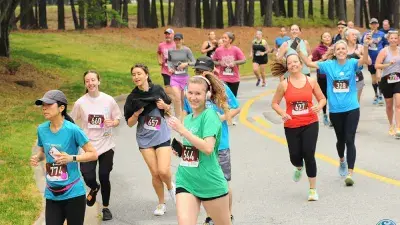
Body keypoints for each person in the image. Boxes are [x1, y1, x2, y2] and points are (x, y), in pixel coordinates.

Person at [298, 36, 372, 186]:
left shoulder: (352, 63)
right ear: (334, 52)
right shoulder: (329, 65)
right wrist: (299, 50)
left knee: (350, 139)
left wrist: (365, 45)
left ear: (346, 51)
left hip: (352, 107)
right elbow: (308, 63)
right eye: (338, 49)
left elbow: (364, 61)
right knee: (341, 140)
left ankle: (350, 173)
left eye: (343, 49)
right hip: (336, 110)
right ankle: (342, 160)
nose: (341, 51)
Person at [183, 56, 241, 225]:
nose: (200, 73)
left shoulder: (221, 88)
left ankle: (226, 215)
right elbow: (186, 113)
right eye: (197, 71)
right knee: (203, 180)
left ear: (211, 71)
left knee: (221, 181)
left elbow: (236, 108)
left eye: (203, 71)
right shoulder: (191, 89)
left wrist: (220, 119)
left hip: (219, 144)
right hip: (197, 145)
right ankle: (211, 215)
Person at [168, 75, 231, 225]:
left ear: (206, 95)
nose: (193, 97)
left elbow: (208, 148)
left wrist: (183, 131)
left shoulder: (210, 116)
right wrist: (182, 151)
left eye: (198, 94)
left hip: (209, 181)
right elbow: (194, 147)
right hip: (186, 179)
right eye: (190, 93)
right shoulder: (189, 118)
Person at [31, 90, 98, 225]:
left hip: (73, 192)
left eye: (49, 104)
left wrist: (72, 158)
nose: (44, 108)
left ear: (61, 108)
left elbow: (93, 154)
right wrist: (38, 157)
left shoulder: (73, 130)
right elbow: (44, 152)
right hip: (52, 192)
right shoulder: (42, 129)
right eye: (43, 104)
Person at [271, 54, 326, 201]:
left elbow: (322, 99)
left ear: (301, 64)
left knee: (309, 154)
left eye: (295, 62)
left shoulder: (311, 81)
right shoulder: (284, 84)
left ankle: (313, 190)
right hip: (291, 124)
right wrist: (282, 112)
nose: (293, 64)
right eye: (290, 63)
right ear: (287, 67)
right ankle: (298, 167)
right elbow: (274, 103)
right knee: (295, 157)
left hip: (310, 122)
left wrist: (318, 106)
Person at [123, 64, 176, 216]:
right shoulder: (132, 98)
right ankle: (161, 203)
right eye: (133, 74)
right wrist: (136, 114)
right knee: (155, 173)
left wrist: (164, 106)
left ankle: (171, 187)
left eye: (139, 73)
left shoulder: (157, 90)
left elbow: (169, 109)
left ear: (146, 75)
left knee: (163, 171)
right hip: (144, 139)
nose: (136, 77)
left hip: (161, 135)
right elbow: (129, 123)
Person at [70, 70, 122, 221]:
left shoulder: (108, 100)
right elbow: (71, 121)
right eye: (87, 81)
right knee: (88, 175)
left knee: (104, 175)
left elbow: (117, 118)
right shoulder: (80, 103)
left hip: (106, 144)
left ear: (99, 81)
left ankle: (105, 207)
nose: (91, 83)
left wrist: (113, 122)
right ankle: (94, 187)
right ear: (85, 84)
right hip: (88, 146)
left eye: (93, 80)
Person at [212, 32, 246, 125]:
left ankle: (231, 116)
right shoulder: (219, 50)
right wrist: (220, 63)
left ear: (230, 40)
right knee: (223, 96)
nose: (223, 39)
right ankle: (224, 115)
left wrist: (235, 63)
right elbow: (213, 60)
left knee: (232, 98)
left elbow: (244, 60)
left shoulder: (236, 50)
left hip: (234, 78)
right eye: (222, 37)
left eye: (225, 38)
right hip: (222, 77)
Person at [375, 30, 400, 138]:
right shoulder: (384, 51)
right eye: (392, 38)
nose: (394, 40)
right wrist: (388, 64)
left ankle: (399, 127)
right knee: (389, 105)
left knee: (398, 104)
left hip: (398, 79)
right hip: (386, 80)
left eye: (395, 38)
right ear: (388, 39)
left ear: (398, 39)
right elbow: (376, 65)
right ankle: (391, 125)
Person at [168, 33, 196, 120]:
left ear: (182, 40)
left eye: (179, 39)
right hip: (174, 77)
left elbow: (194, 61)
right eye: (176, 39)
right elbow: (169, 61)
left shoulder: (187, 50)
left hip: (184, 78)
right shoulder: (171, 50)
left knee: (184, 98)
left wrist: (186, 64)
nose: (177, 41)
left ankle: (186, 116)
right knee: (177, 98)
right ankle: (178, 116)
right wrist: (170, 68)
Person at [361, 18, 388, 106]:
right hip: (371, 60)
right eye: (372, 24)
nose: (374, 25)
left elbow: (386, 43)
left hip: (379, 59)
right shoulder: (366, 34)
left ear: (378, 25)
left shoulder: (382, 34)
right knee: (373, 79)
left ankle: (380, 94)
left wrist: (385, 53)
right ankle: (376, 94)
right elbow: (362, 45)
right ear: (370, 25)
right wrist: (367, 41)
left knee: (379, 77)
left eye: (375, 23)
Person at [343, 28, 372, 102]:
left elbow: (369, 62)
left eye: (356, 35)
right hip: (344, 77)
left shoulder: (360, 47)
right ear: (347, 37)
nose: (355, 37)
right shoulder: (342, 47)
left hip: (357, 77)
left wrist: (359, 55)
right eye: (352, 35)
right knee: (345, 100)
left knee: (355, 101)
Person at [312, 32, 332, 126]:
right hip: (322, 77)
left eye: (328, 36)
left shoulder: (334, 47)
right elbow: (313, 63)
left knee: (333, 96)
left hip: (333, 76)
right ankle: (324, 115)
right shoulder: (317, 49)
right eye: (325, 37)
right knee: (324, 97)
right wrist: (322, 59)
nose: (327, 38)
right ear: (322, 39)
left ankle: (333, 116)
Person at [157, 28, 176, 100]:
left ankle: (176, 99)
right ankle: (170, 101)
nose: (167, 36)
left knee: (175, 87)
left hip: (175, 70)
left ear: (173, 35)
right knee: (167, 87)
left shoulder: (176, 45)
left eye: (169, 34)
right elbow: (158, 53)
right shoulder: (161, 45)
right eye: (166, 34)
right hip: (165, 70)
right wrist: (159, 60)